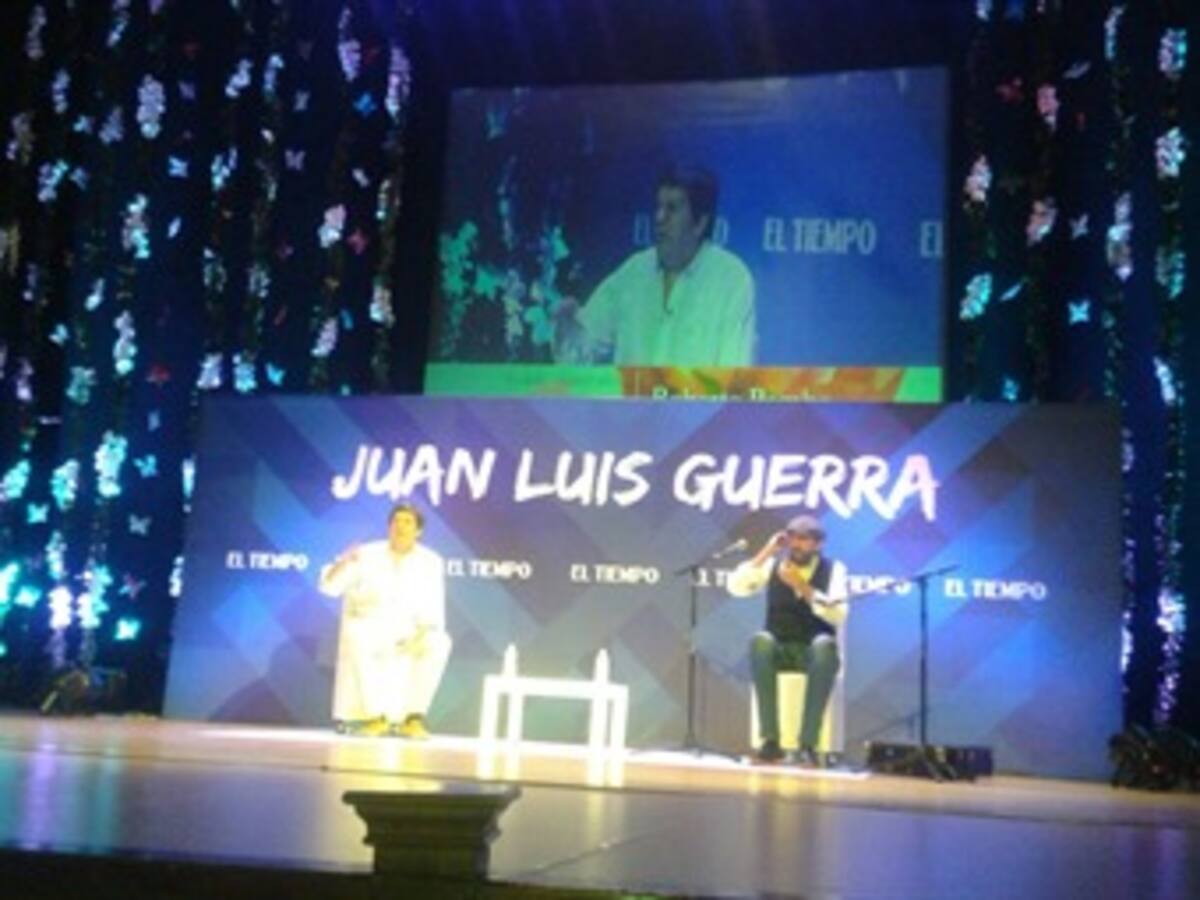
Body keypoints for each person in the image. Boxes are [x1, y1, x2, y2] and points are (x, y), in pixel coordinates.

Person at [555, 164, 756, 366]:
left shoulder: (731, 280)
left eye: (672, 209)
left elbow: (733, 375)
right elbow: (579, 356)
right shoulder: (634, 272)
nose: (659, 218)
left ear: (700, 223)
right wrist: (567, 327)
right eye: (658, 207)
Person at [318, 503, 452, 738]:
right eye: (396, 521)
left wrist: (421, 634)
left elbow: (434, 604)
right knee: (358, 636)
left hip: (411, 629)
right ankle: (376, 717)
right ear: (389, 527)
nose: (400, 526)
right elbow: (329, 588)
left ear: (418, 531)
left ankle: (413, 718)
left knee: (439, 643)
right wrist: (341, 563)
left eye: (407, 522)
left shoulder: (431, 561)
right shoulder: (366, 555)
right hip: (371, 624)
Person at [727, 514, 848, 766]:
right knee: (760, 641)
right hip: (780, 648)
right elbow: (736, 587)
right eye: (791, 538)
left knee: (824, 646)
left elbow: (838, 614)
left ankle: (808, 745)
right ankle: (771, 742)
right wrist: (766, 552)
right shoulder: (772, 565)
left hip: (814, 652)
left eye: (803, 539)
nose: (796, 544)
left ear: (818, 544)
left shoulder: (835, 570)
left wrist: (802, 586)